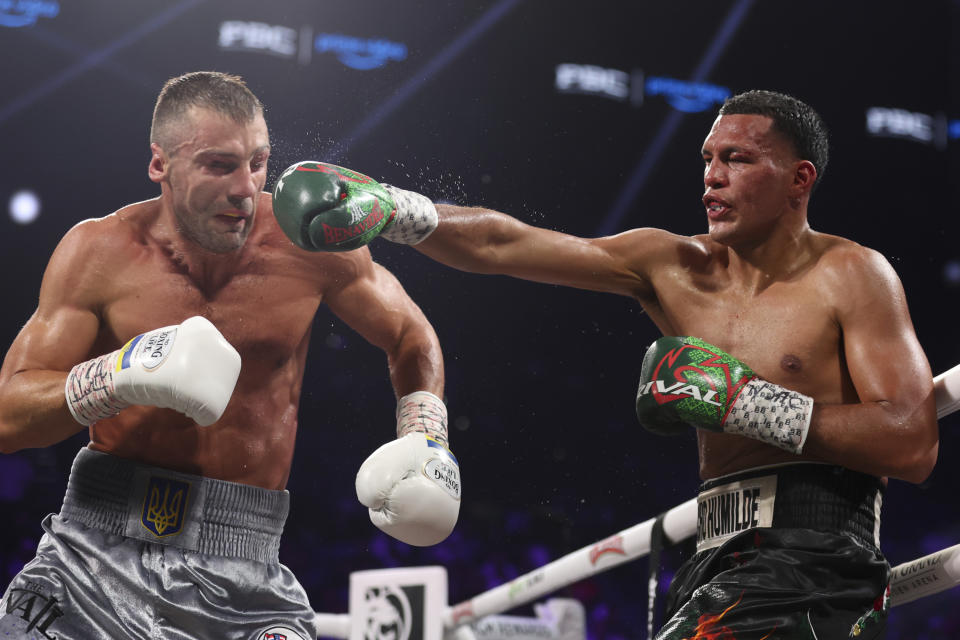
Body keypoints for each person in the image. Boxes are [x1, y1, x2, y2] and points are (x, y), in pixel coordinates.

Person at [277, 90, 938, 638]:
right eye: (708, 158)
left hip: (816, 558)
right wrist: (394, 210)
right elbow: (508, 243)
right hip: (713, 556)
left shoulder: (851, 274)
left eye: (737, 159)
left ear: (799, 180)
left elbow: (911, 442)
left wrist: (753, 405)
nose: (712, 175)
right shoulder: (673, 265)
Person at [0, 71, 461, 640]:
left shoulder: (308, 242)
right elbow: (7, 418)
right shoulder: (98, 252)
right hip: (89, 560)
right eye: (220, 165)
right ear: (159, 164)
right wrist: (118, 373)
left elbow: (410, 335)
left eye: (259, 162)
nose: (246, 188)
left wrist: (427, 435)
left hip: (245, 577)